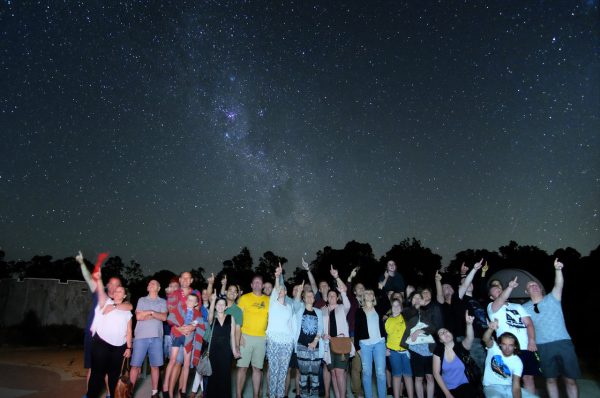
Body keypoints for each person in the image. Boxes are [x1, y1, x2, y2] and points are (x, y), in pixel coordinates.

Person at [523, 259, 580, 398]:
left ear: (540, 288)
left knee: (570, 380)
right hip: (542, 347)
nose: (534, 286)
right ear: (526, 291)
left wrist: (558, 270)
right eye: (530, 285)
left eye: (535, 284)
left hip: (563, 343)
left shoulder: (552, 298)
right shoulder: (524, 308)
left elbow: (559, 284)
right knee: (550, 379)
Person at [76, 251, 132, 390]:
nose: (113, 287)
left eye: (117, 285)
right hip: (93, 336)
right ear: (107, 285)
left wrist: (115, 305)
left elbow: (130, 307)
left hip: (111, 342)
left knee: (111, 371)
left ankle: (109, 393)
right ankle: (90, 393)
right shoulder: (99, 294)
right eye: (111, 284)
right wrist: (82, 263)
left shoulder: (122, 305)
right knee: (93, 369)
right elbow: (89, 277)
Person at [488, 276, 539, 394]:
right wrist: (510, 287)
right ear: (491, 297)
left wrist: (532, 340)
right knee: (509, 380)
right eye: (496, 291)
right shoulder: (492, 307)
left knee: (529, 379)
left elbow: (529, 324)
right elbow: (501, 299)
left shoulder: (517, 306)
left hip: (526, 347)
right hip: (508, 349)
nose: (499, 291)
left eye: (500, 289)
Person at [86, 270, 132, 398]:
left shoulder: (127, 309)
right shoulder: (106, 301)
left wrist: (129, 347)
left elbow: (129, 330)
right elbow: (100, 290)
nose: (117, 292)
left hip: (119, 348)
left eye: (120, 291)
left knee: (114, 376)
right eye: (116, 290)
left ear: (124, 296)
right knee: (97, 375)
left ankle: (112, 396)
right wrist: (99, 278)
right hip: (101, 344)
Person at [163, 271, 204, 398]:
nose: (185, 280)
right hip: (175, 332)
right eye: (183, 278)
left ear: (191, 280)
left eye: (188, 278)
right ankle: (167, 390)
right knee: (174, 362)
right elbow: (171, 314)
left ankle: (182, 390)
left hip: (189, 334)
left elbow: (197, 314)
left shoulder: (196, 294)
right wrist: (179, 328)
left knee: (183, 364)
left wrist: (191, 327)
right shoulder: (174, 294)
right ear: (180, 280)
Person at [129, 279, 168, 398]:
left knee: (155, 366)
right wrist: (155, 314)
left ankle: (154, 393)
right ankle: (129, 391)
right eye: (150, 283)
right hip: (141, 337)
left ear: (159, 288)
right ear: (147, 288)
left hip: (156, 338)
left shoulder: (162, 301)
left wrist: (149, 312)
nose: (151, 285)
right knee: (135, 365)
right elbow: (139, 316)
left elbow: (164, 317)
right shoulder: (142, 300)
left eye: (154, 283)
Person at [482, 320, 538, 398]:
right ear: (500, 344)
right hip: (492, 387)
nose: (507, 348)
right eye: (504, 344)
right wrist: (490, 329)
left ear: (515, 346)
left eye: (510, 345)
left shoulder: (517, 362)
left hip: (509, 387)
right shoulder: (494, 349)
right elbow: (485, 339)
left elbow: (516, 386)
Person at [265, 263, 296, 398]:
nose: (281, 290)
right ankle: (272, 395)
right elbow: (277, 287)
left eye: (283, 289)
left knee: (283, 373)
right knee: (274, 371)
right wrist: (277, 277)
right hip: (273, 341)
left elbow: (292, 326)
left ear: (286, 292)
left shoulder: (289, 307)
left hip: (287, 343)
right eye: (279, 289)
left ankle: (280, 395)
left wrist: (292, 342)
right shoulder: (273, 302)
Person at [236, 274, 270, 398]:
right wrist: (238, 337)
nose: (257, 284)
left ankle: (256, 395)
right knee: (242, 368)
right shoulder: (244, 298)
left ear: (262, 286)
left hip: (261, 339)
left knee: (257, 369)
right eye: (254, 282)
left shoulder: (268, 300)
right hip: (245, 337)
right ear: (251, 285)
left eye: (259, 282)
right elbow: (237, 319)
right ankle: (239, 395)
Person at [321, 266, 353, 398]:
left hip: (341, 344)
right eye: (329, 295)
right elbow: (320, 327)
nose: (332, 297)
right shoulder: (322, 310)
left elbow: (347, 300)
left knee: (340, 372)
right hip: (328, 344)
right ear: (327, 298)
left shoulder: (342, 307)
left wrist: (337, 277)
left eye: (334, 295)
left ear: (338, 297)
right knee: (333, 372)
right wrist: (323, 334)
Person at [432, 311, 479, 398]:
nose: (445, 333)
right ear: (440, 340)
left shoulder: (461, 347)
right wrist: (447, 394)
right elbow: (436, 373)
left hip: (465, 386)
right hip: (447, 388)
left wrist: (469, 324)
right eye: (441, 333)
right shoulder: (438, 351)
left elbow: (470, 338)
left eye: (446, 331)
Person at [401, 291, 438, 398]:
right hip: (415, 348)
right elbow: (410, 319)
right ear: (410, 300)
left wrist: (421, 330)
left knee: (430, 377)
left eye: (419, 298)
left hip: (429, 348)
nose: (416, 300)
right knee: (418, 378)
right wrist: (417, 308)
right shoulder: (406, 311)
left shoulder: (426, 312)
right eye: (414, 298)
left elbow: (433, 328)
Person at [204, 294, 240, 397]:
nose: (220, 306)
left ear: (226, 307)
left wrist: (234, 351)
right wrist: (213, 301)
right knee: (213, 375)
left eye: (222, 304)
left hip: (226, 351)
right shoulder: (213, 318)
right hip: (213, 351)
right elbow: (210, 316)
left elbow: (232, 335)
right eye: (218, 304)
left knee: (225, 375)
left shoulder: (230, 317)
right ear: (215, 306)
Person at [292, 280, 324, 398]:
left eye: (312, 296)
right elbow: (295, 304)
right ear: (304, 299)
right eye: (307, 296)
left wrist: (315, 341)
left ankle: (314, 396)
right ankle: (304, 395)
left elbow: (320, 328)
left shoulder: (319, 312)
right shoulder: (299, 310)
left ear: (314, 299)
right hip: (302, 347)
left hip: (315, 347)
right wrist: (299, 291)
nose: (310, 298)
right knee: (304, 375)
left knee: (315, 375)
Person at [354, 289, 387, 398]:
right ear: (363, 297)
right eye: (366, 293)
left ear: (374, 297)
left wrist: (381, 288)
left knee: (381, 373)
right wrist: (357, 347)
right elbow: (356, 330)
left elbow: (386, 301)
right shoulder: (359, 311)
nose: (369, 294)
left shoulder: (379, 309)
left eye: (371, 293)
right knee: (366, 373)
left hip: (379, 344)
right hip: (365, 345)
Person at [385, 298, 414, 398]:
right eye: (394, 305)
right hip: (393, 352)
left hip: (406, 351)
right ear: (391, 308)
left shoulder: (406, 319)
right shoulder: (387, 321)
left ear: (401, 308)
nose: (396, 307)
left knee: (408, 375)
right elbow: (383, 336)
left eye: (398, 306)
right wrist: (385, 349)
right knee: (396, 375)